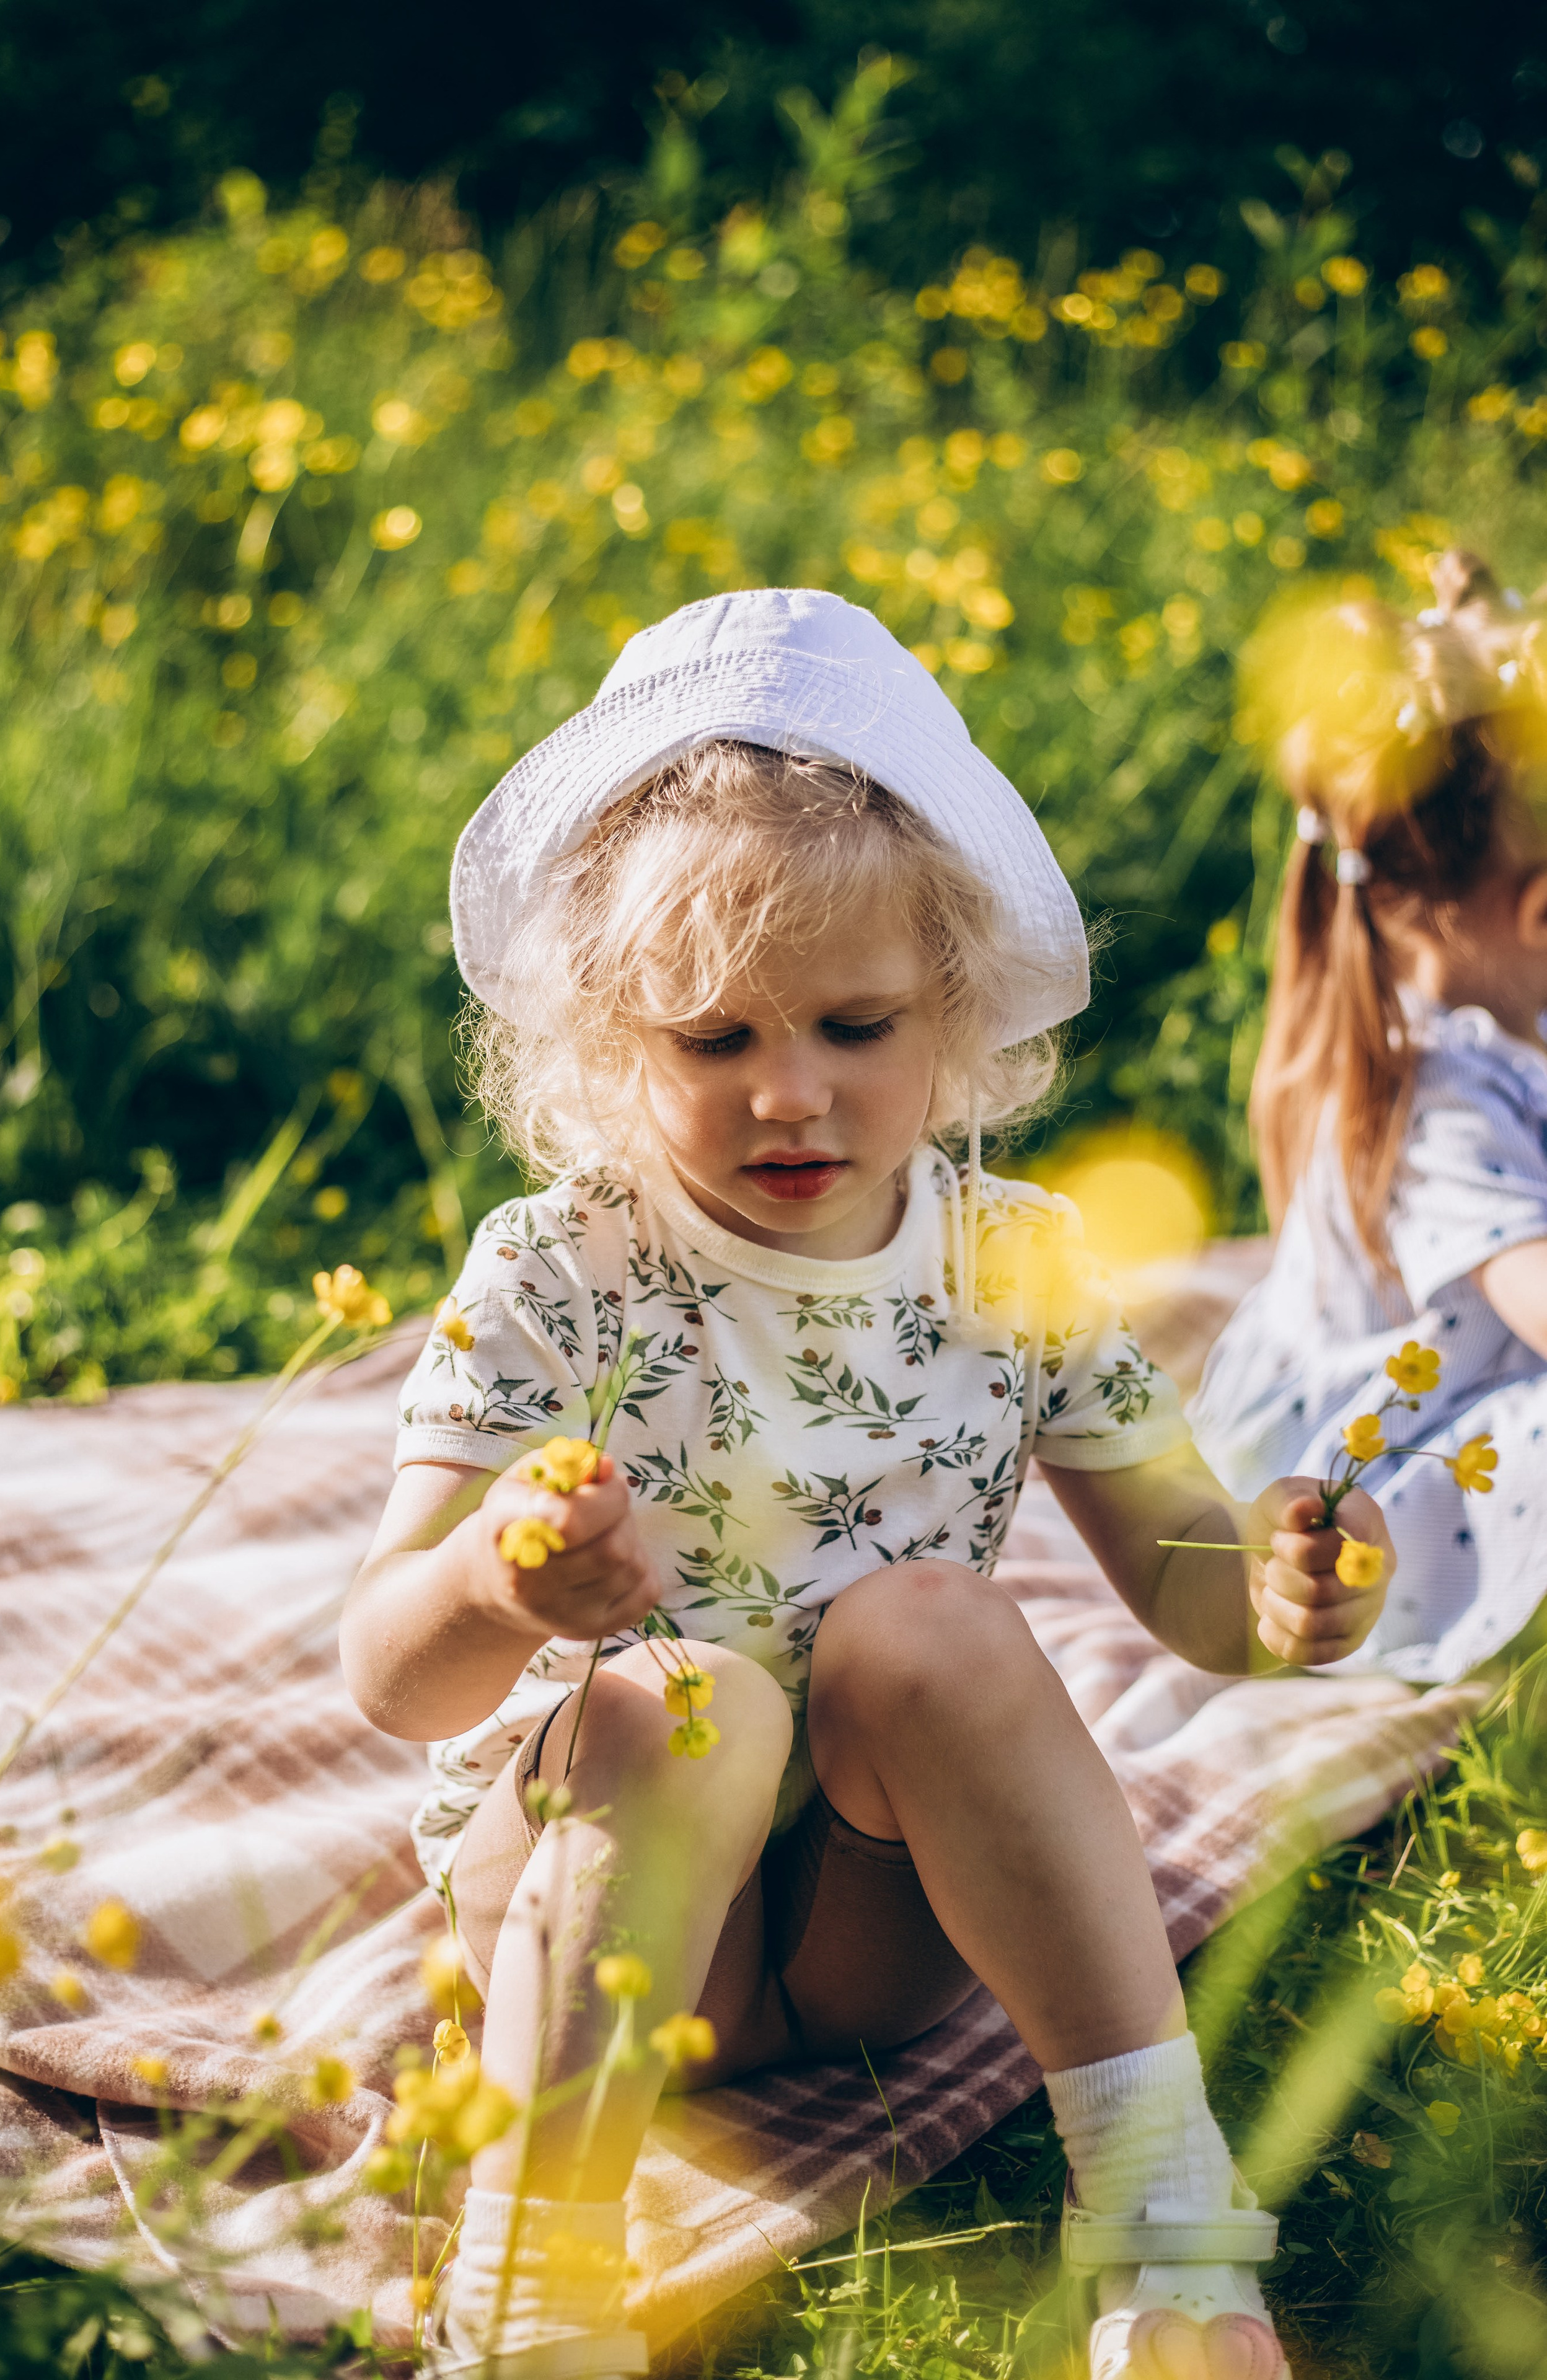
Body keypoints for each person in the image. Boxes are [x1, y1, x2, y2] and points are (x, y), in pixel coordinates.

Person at [342, 589, 1393, 2380]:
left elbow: (1192, 1583)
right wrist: (502, 1587)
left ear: (958, 1014)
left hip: (874, 1937)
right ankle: (535, 2294)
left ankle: (1165, 2230)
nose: (793, 1098)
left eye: (854, 1026)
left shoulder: (1017, 1260)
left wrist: (1290, 1587)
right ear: (610, 1039)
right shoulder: (557, 1270)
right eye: (715, 1040)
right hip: (596, 1931)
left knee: (939, 1629)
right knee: (680, 1702)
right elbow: (387, 1670)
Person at [1192, 549, 1547, 1685]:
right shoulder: (1436, 1104)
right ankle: (1432, 1598)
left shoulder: (1499, 1017)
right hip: (1353, 1472)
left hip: (1454, 1370)